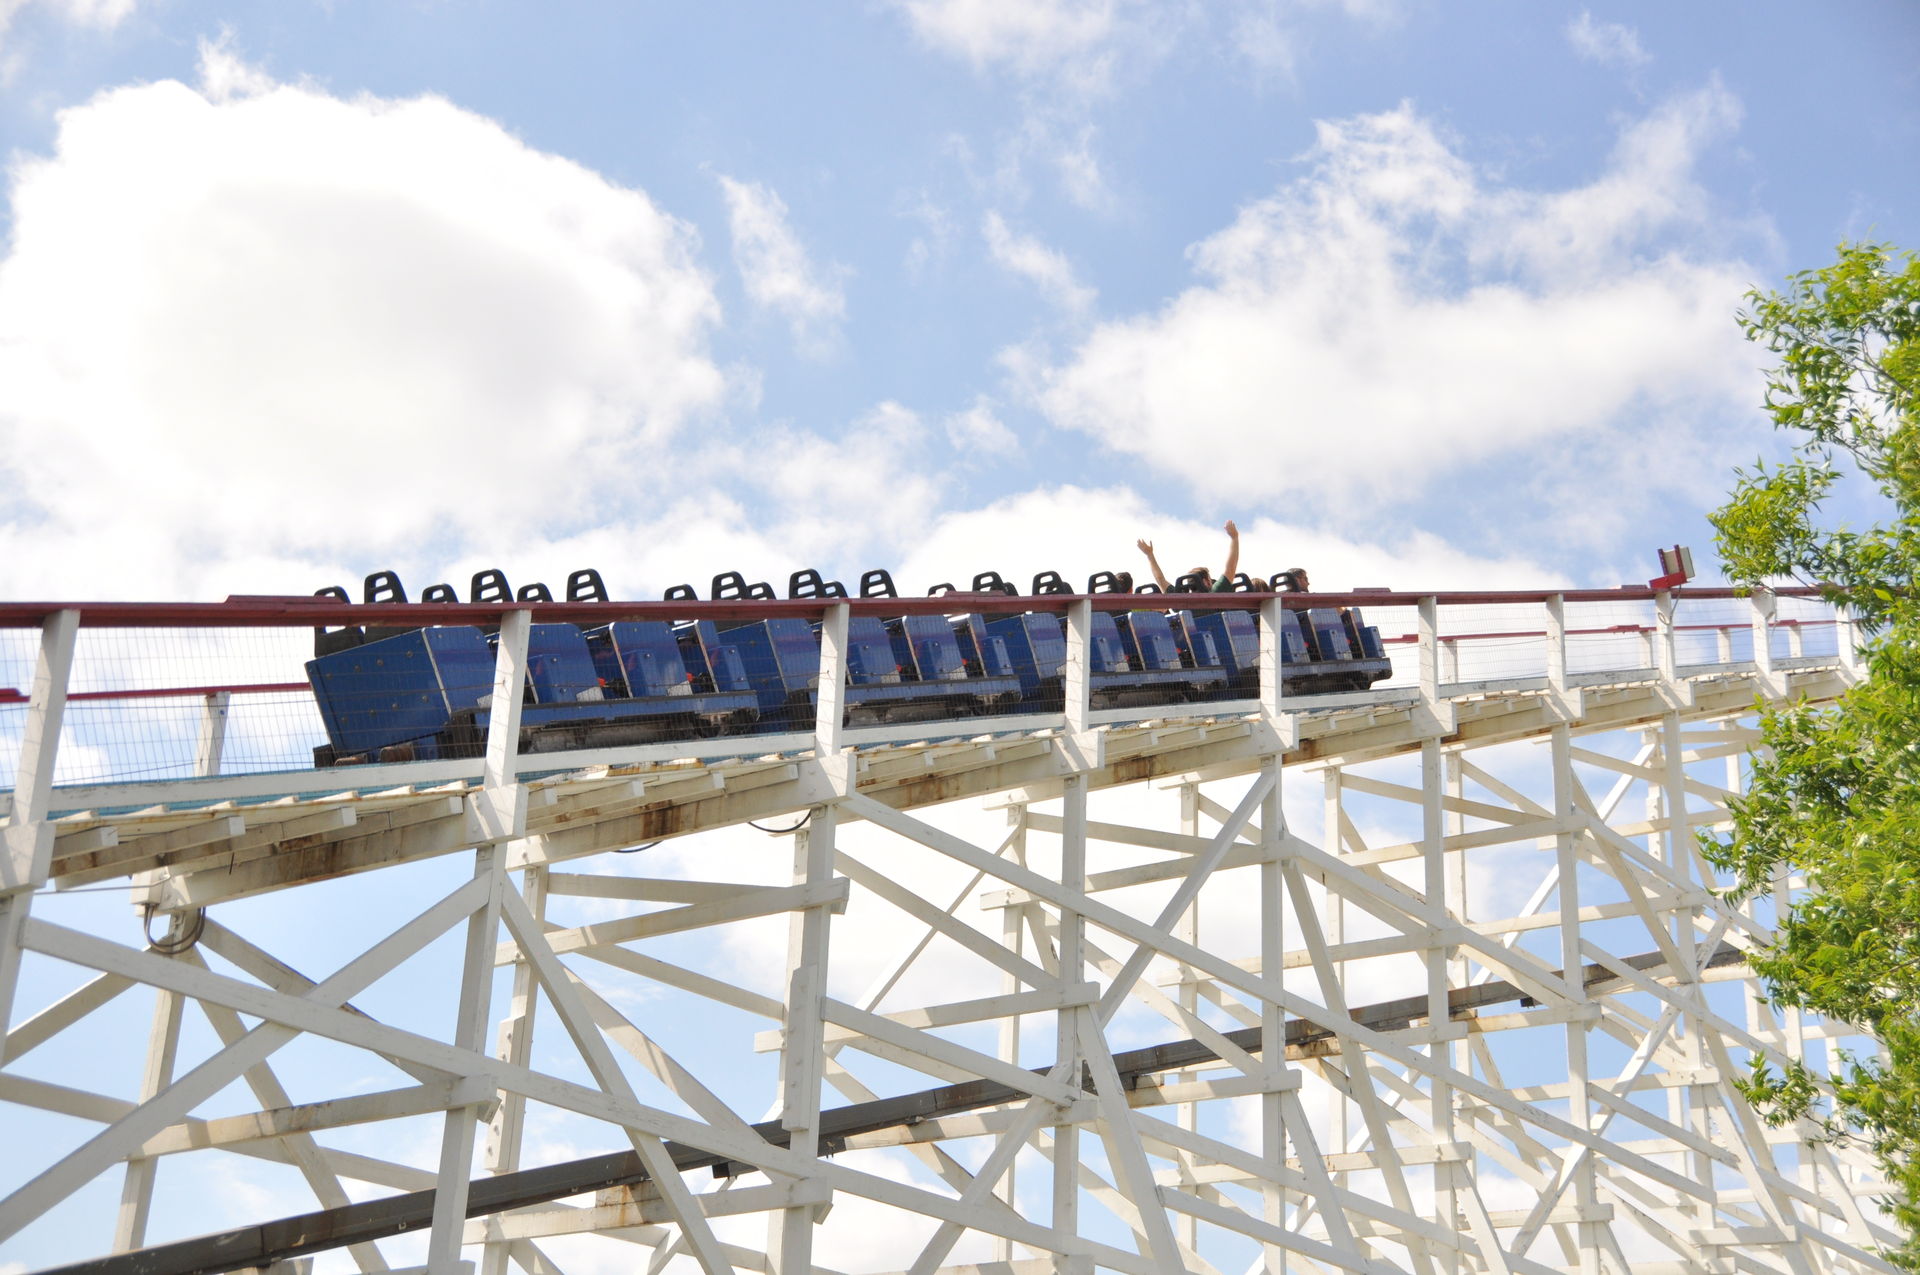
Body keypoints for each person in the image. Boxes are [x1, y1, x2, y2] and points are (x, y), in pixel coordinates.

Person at [1137, 520, 1241, 592]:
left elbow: (1160, 580)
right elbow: (1230, 568)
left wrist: (1149, 555)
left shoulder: (1181, 601)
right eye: (1209, 579)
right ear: (1205, 582)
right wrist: (1234, 538)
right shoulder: (1215, 594)